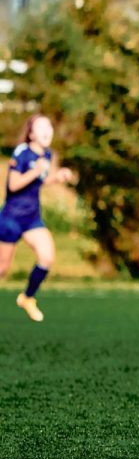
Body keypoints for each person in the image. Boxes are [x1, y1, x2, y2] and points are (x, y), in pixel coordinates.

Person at [0, 114, 75, 321]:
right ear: (31, 134)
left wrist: (56, 177)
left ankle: (27, 298)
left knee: (47, 257)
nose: (46, 131)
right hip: (11, 219)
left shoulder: (47, 155)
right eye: (41, 127)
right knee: (2, 269)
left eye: (49, 126)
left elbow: (39, 181)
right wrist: (36, 171)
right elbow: (14, 185)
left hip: (32, 218)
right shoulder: (22, 153)